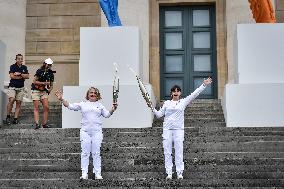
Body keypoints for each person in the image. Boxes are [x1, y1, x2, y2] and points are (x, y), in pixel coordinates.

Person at [150, 77, 212, 180]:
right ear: (171, 93)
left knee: (179, 151)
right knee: (167, 151)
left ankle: (179, 173)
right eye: (174, 91)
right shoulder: (166, 103)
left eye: (178, 91)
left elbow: (194, 94)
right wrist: (152, 108)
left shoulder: (183, 102)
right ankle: (169, 173)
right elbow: (159, 115)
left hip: (178, 130)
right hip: (167, 130)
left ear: (180, 93)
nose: (176, 92)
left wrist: (204, 85)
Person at [55, 87, 118, 180]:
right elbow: (70, 106)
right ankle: (84, 173)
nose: (92, 94)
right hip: (85, 132)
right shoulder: (82, 104)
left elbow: (107, 115)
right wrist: (61, 99)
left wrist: (113, 109)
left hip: (97, 132)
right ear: (88, 95)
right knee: (85, 153)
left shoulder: (100, 106)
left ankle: (98, 174)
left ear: (97, 95)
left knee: (96, 153)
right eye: (91, 93)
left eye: (94, 93)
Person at [31, 58, 55, 129]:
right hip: (36, 90)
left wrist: (49, 90)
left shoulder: (51, 73)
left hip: (44, 91)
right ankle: (37, 124)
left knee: (46, 107)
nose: (49, 66)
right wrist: (44, 83)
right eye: (48, 64)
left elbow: (51, 84)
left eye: (50, 65)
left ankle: (44, 124)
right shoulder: (39, 71)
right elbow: (34, 81)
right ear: (45, 64)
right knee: (36, 107)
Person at [5, 54, 29, 125]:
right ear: (16, 59)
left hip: (21, 88)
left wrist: (20, 74)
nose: (20, 60)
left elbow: (27, 76)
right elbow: (12, 76)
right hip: (12, 87)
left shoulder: (24, 67)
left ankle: (15, 119)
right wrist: (22, 76)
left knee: (18, 103)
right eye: (18, 59)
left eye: (21, 59)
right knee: (11, 100)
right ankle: (8, 117)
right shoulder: (12, 66)